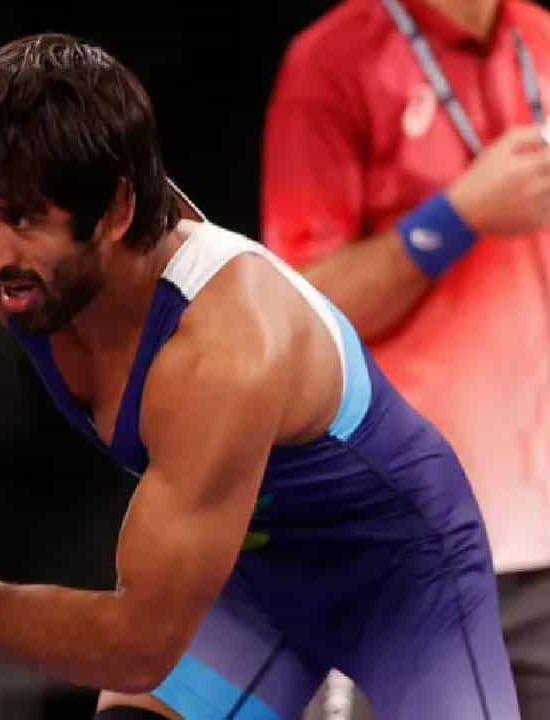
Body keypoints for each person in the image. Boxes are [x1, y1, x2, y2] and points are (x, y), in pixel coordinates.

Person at [0, 34, 519, 719]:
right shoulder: (3, 219)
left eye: (22, 220)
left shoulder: (227, 347)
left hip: (403, 585)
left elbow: (135, 647)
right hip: (245, 578)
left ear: (118, 210)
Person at [262, 1, 550, 716]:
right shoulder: (333, 60)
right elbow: (298, 316)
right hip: (410, 551)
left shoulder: (542, 38)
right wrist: (455, 219)